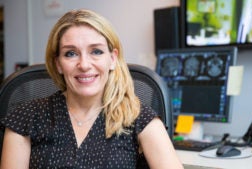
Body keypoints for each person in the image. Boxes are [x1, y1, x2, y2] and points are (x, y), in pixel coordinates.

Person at [0, 9, 183, 169]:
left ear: (112, 59)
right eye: (71, 53)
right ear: (58, 64)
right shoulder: (26, 117)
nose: (84, 65)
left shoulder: (139, 118)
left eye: (96, 51)